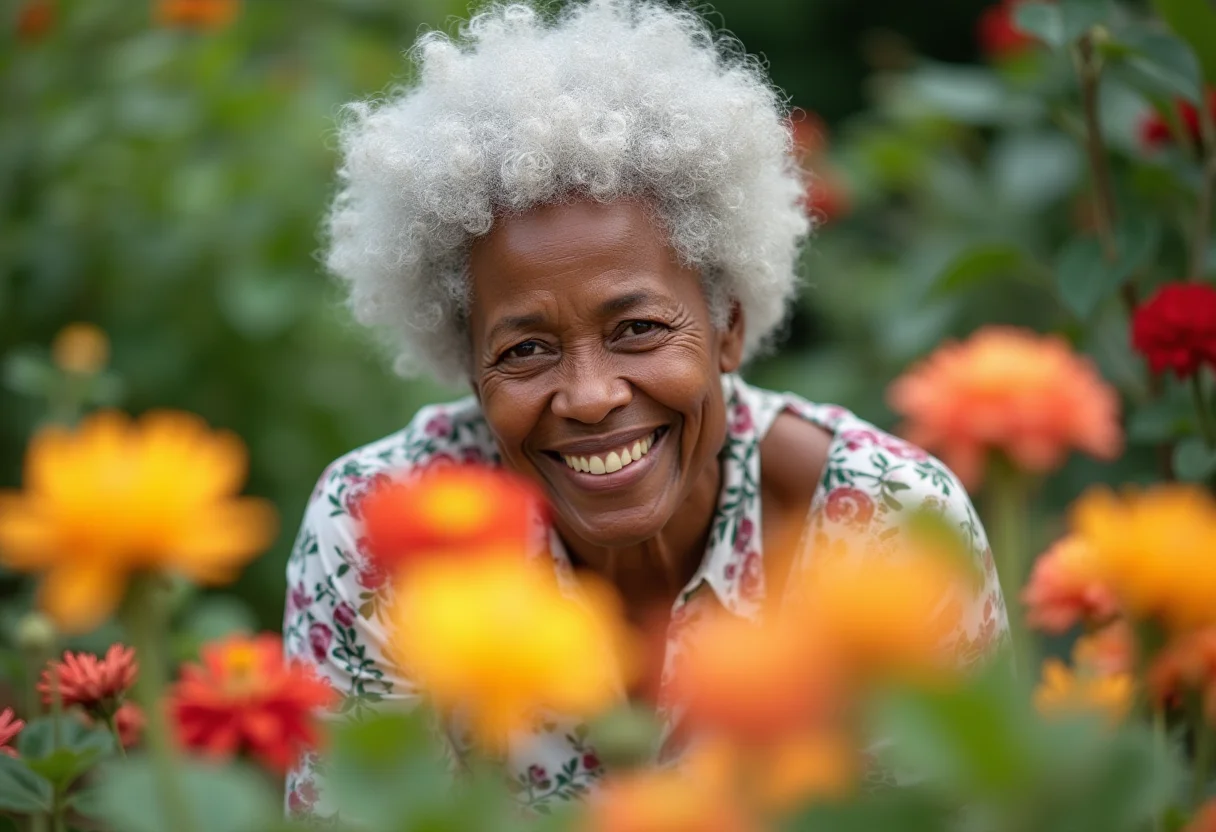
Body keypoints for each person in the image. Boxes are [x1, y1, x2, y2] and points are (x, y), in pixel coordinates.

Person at [283, 0, 1007, 816]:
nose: (591, 397)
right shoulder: (379, 532)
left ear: (728, 326)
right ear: (469, 366)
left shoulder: (889, 526)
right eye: (525, 350)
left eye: (637, 329)